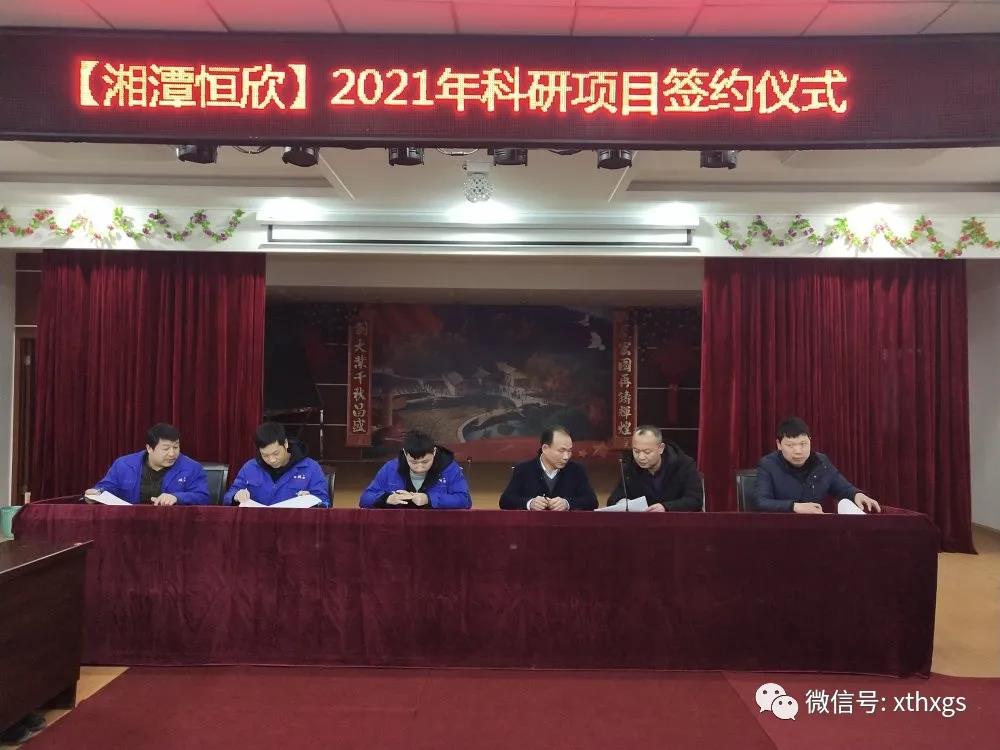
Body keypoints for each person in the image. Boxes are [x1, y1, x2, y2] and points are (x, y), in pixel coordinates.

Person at [755, 416, 881, 513]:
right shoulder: (768, 464)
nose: (798, 451)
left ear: (810, 440)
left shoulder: (821, 462)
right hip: (782, 529)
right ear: (779, 444)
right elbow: (761, 502)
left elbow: (842, 488)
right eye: (790, 445)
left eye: (803, 444)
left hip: (815, 528)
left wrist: (856, 494)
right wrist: (794, 507)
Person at [84, 423, 209, 506]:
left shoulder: (192, 468)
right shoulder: (124, 465)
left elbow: (203, 497)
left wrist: (177, 497)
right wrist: (97, 493)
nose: (172, 453)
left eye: (176, 447)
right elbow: (108, 487)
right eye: (166, 449)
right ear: (149, 448)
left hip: (173, 526)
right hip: (129, 524)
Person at [223, 422, 330, 507]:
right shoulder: (250, 468)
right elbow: (228, 496)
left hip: (295, 525)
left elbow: (325, 502)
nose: (272, 460)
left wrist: (312, 500)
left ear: (285, 444)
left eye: (276, 453)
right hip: (257, 524)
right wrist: (236, 495)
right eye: (265, 455)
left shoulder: (310, 468)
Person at [359, 430, 471, 509]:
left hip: (437, 526)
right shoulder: (391, 468)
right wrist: (387, 499)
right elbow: (365, 499)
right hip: (400, 527)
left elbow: (464, 500)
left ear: (434, 452)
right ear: (405, 453)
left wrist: (428, 499)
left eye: (425, 462)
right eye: (414, 462)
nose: (420, 468)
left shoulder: (449, 468)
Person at [607, 425, 703, 511]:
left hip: (677, 522)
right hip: (643, 522)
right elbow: (613, 498)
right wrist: (621, 502)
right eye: (636, 451)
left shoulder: (684, 465)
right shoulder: (630, 466)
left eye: (647, 452)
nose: (641, 457)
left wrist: (666, 507)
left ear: (661, 448)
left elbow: (695, 500)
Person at [499, 426, 597, 511]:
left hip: (565, 525)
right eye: (561, 450)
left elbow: (591, 501)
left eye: (569, 451)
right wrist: (530, 503)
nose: (566, 456)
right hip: (532, 525)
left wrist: (567, 503)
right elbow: (505, 501)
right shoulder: (524, 469)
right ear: (545, 448)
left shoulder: (577, 470)